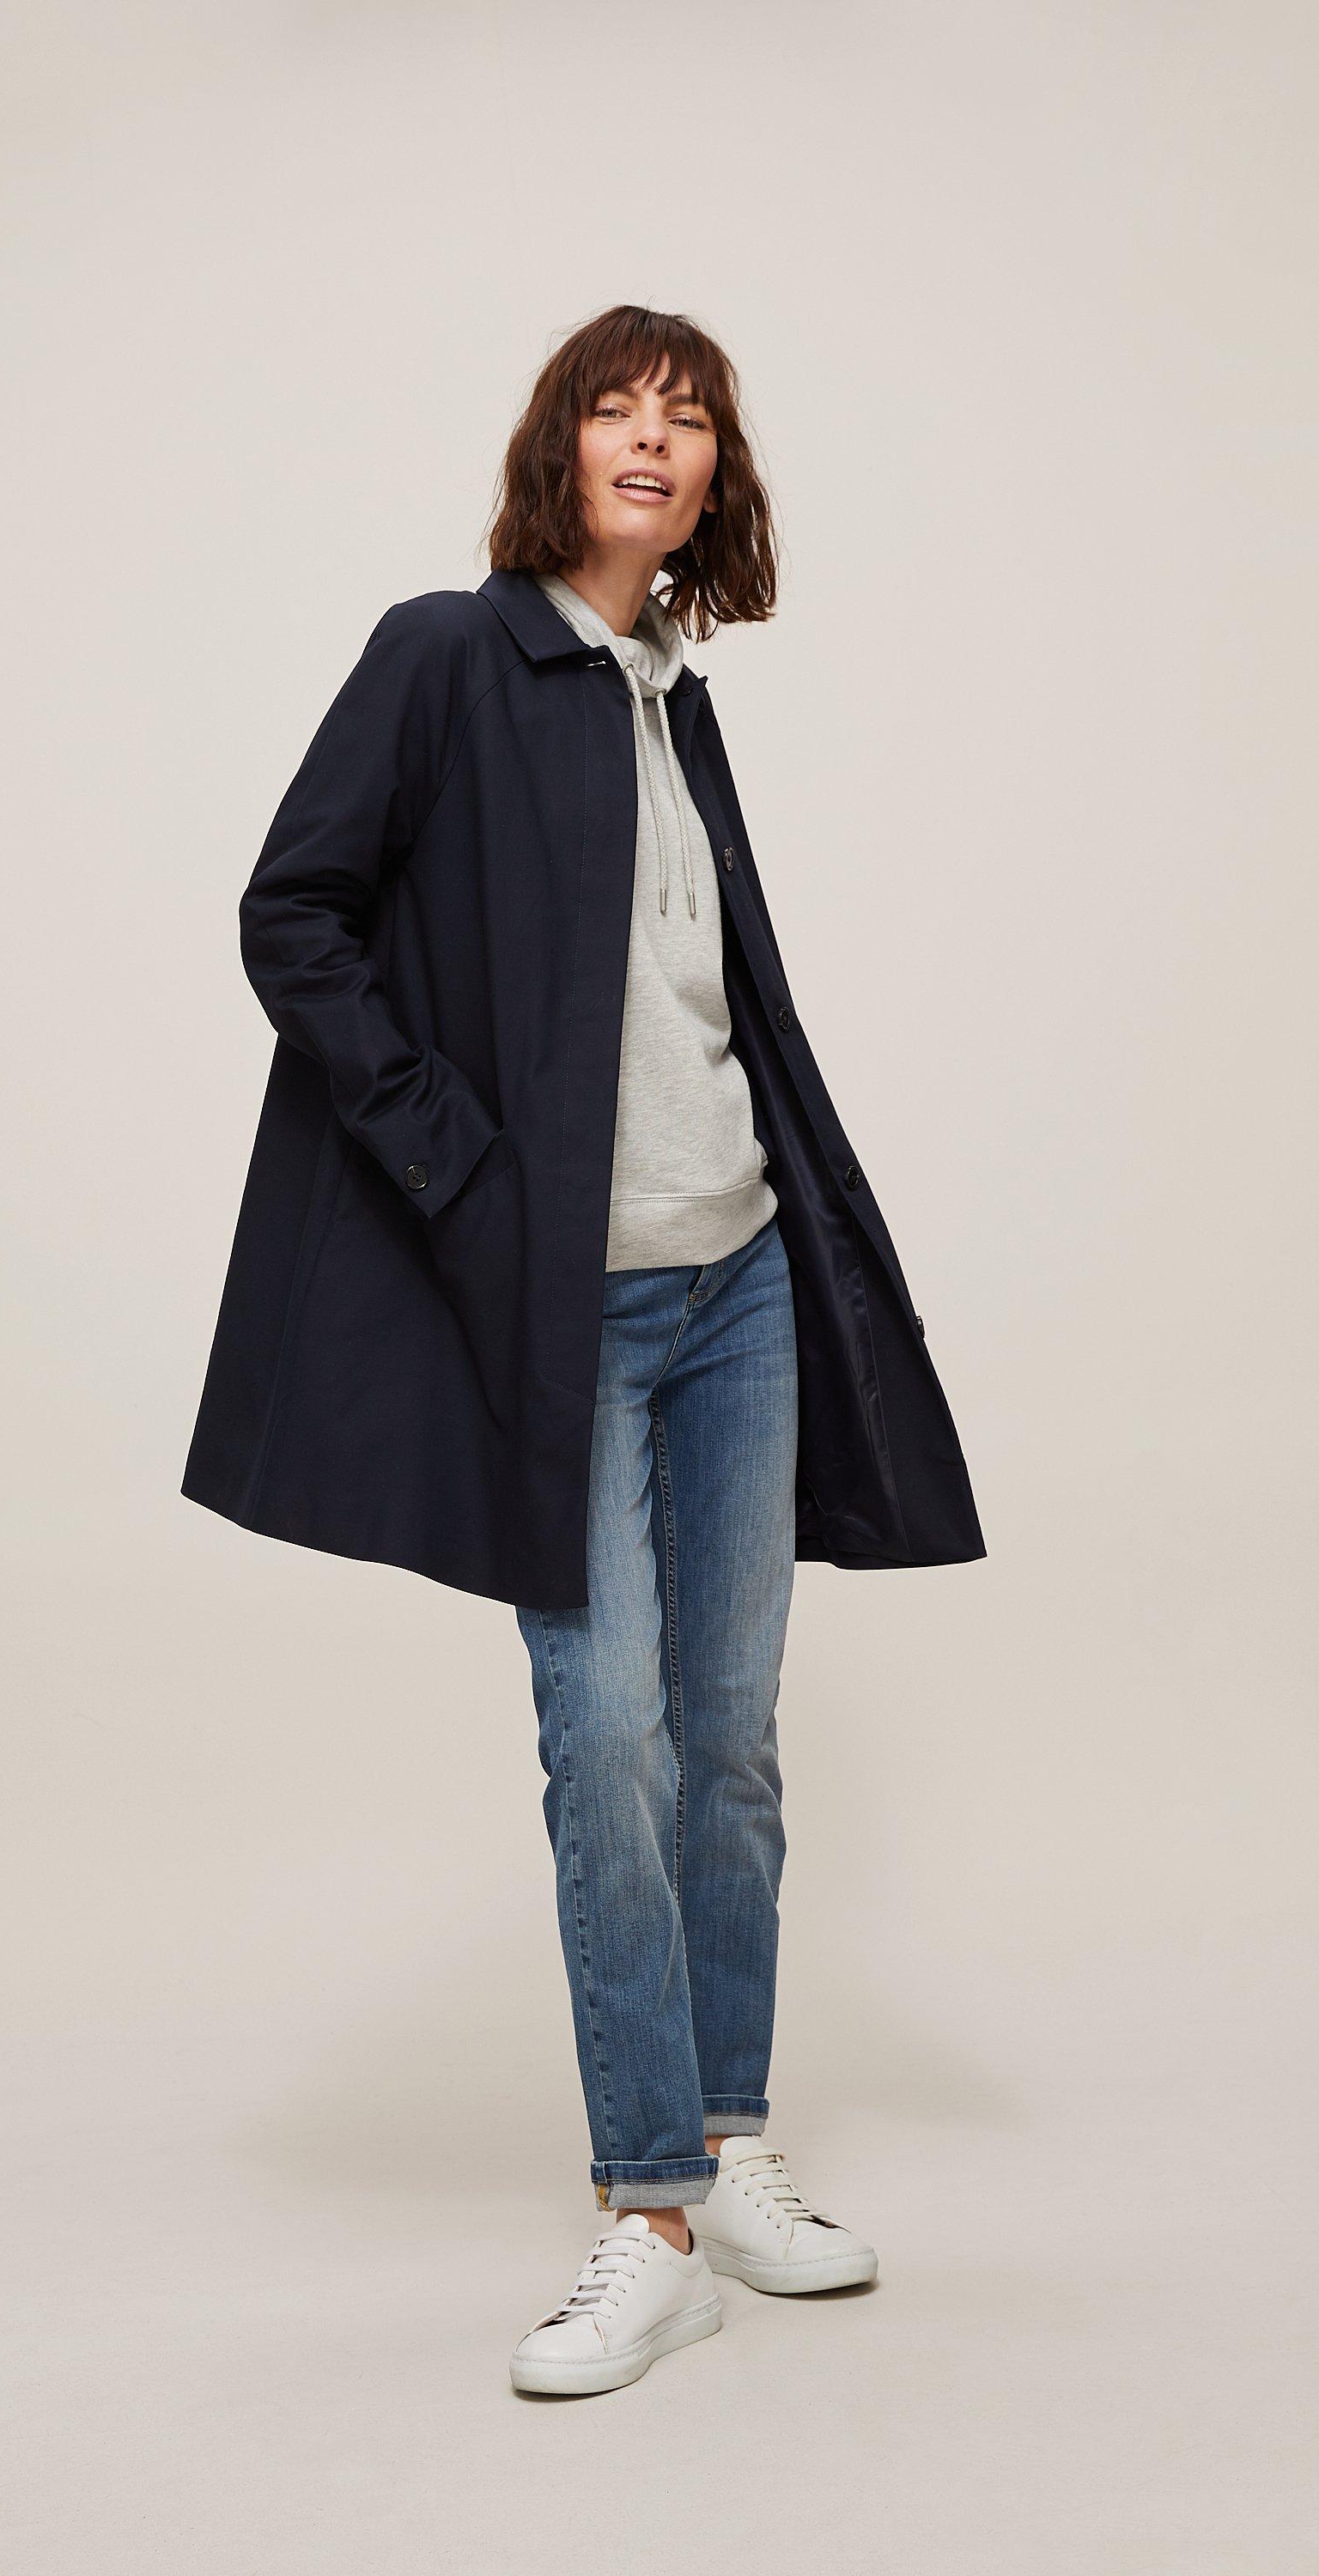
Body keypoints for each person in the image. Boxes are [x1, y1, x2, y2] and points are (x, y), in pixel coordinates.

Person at [182, 306, 985, 2397]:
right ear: (560, 447)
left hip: (739, 1287)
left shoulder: (672, 700)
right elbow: (294, 914)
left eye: (688, 417)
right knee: (605, 1737)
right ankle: (648, 2218)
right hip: (565, 1313)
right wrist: (454, 1158)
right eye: (617, 408)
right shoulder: (448, 656)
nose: (654, 438)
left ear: (717, 479)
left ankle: (728, 2145)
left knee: (730, 1744)